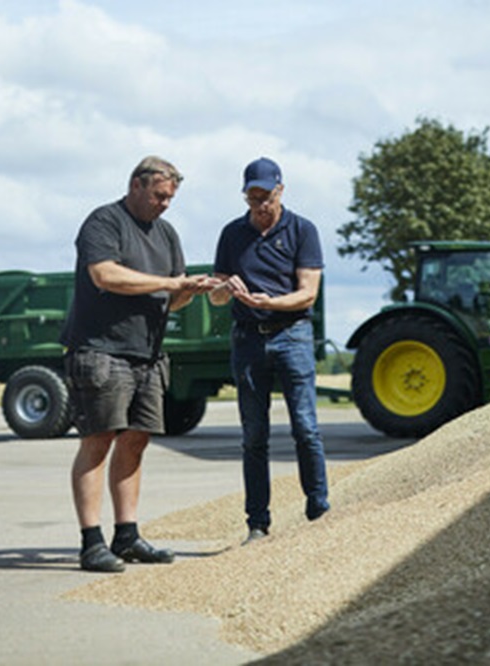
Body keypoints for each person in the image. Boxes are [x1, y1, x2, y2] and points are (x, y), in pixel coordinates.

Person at [61, 156, 214, 573]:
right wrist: (169, 283)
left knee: (136, 441)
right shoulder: (104, 222)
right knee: (99, 439)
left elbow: (173, 296)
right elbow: (105, 275)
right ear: (136, 185)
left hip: (147, 355)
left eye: (171, 198)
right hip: (100, 351)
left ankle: (126, 536)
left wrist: (192, 290)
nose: (166, 204)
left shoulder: (166, 233)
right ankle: (91, 542)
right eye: (160, 195)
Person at [209, 156, 330, 545]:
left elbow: (308, 292)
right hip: (247, 339)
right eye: (252, 197)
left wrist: (270, 302)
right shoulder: (231, 234)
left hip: (291, 334)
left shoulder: (303, 230)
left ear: (281, 190)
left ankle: (319, 508)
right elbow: (214, 296)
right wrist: (224, 290)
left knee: (306, 428)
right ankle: (257, 524)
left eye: (266, 196)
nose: (259, 205)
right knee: (254, 434)